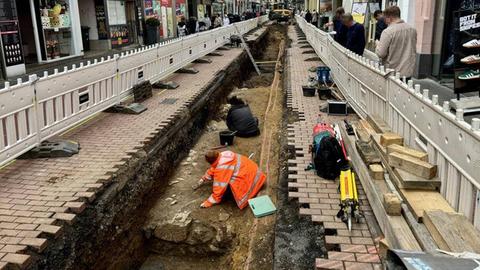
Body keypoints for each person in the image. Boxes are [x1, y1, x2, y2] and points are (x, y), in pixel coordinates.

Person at [198, 150, 266, 209]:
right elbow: (214, 167)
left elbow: (219, 187)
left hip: (254, 182)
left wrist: (210, 201)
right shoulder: (224, 155)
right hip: (257, 174)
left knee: (227, 184)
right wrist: (204, 178)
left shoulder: (222, 167)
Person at [375, 6, 417, 79]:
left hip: (392, 72)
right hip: (407, 72)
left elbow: (381, 54)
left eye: (385, 18)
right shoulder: (412, 30)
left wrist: (377, 45)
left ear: (390, 18)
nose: (385, 21)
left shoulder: (388, 32)